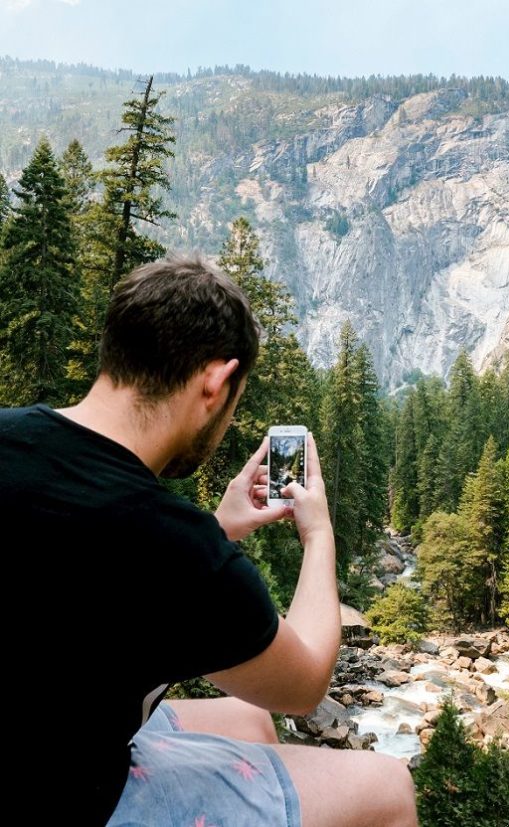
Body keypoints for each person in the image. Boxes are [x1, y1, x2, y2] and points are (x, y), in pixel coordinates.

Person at [0, 256, 417, 826]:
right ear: (216, 382)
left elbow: (96, 570)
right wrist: (318, 535)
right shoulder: (175, 548)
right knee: (388, 786)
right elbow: (305, 683)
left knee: (248, 719)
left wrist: (219, 529)